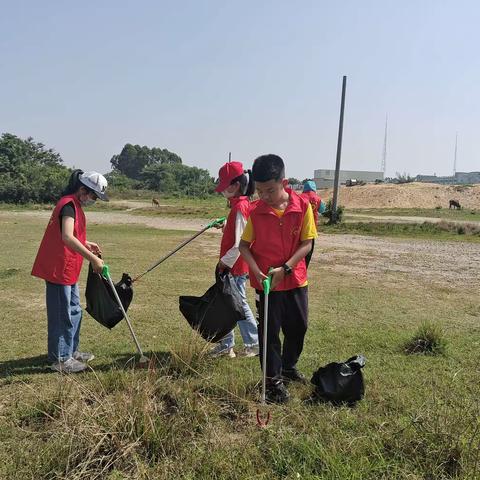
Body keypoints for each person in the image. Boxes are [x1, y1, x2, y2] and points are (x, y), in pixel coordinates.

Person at [239, 154, 317, 403]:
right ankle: (273, 383)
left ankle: (288, 367)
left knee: (298, 327)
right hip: (267, 286)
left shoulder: (302, 206)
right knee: (269, 334)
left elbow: (307, 243)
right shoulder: (255, 211)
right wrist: (255, 270)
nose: (264, 196)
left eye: (269, 190)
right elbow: (244, 246)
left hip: (295, 280)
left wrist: (287, 267)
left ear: (284, 182)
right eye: (259, 191)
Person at [31, 170, 109, 373]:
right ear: (82, 190)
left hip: (69, 268)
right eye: (93, 196)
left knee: (74, 310)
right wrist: (92, 258)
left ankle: (71, 351)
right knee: (61, 313)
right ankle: (60, 358)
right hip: (58, 269)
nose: (93, 200)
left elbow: (72, 235)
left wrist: (87, 243)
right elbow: (66, 237)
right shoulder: (68, 204)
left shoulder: (75, 205)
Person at [210, 161, 259, 358]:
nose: (223, 192)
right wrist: (224, 226)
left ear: (235, 185)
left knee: (238, 305)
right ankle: (226, 345)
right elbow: (238, 233)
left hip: (234, 268)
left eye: (224, 187)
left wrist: (225, 263)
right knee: (227, 305)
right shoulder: (240, 206)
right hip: (234, 267)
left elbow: (240, 243)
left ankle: (254, 343)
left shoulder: (240, 207)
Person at [300, 180, 322, 268]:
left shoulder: (300, 197)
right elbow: (322, 210)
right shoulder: (317, 198)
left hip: (299, 229)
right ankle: (304, 270)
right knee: (307, 254)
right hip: (311, 230)